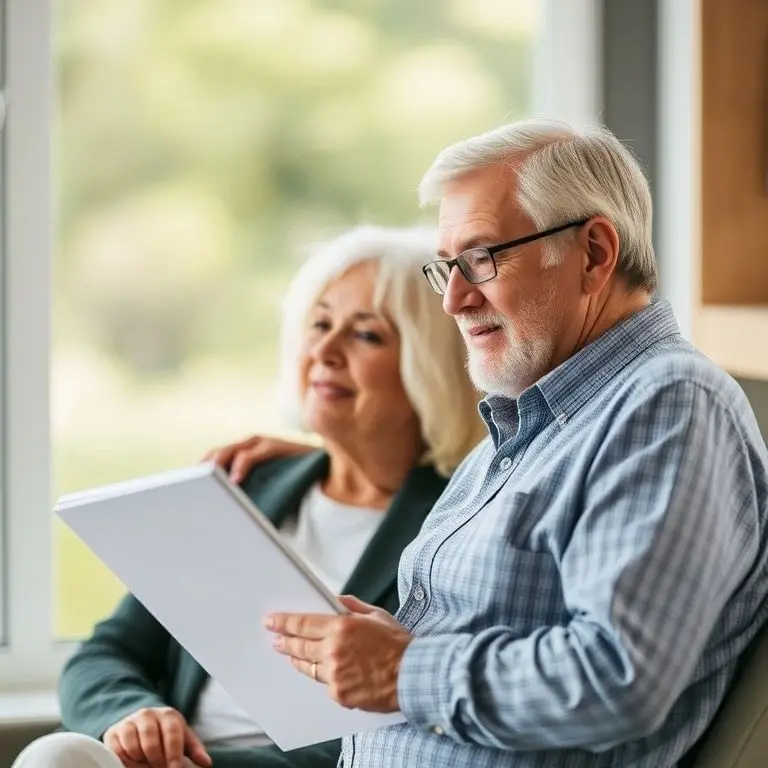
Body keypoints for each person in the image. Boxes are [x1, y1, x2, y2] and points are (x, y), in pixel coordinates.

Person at [256, 119, 768, 767]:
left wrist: (403, 668)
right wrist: (396, 646)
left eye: (482, 258)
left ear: (593, 254)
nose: (456, 301)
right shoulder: (533, 422)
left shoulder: (667, 404)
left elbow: (617, 680)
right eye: (448, 269)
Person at [14, 225, 485, 768]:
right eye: (320, 324)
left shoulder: (462, 521)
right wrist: (132, 714)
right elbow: (104, 654)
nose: (325, 350)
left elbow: (406, 729)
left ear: (430, 369)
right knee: (57, 754)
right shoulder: (248, 485)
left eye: (367, 335)